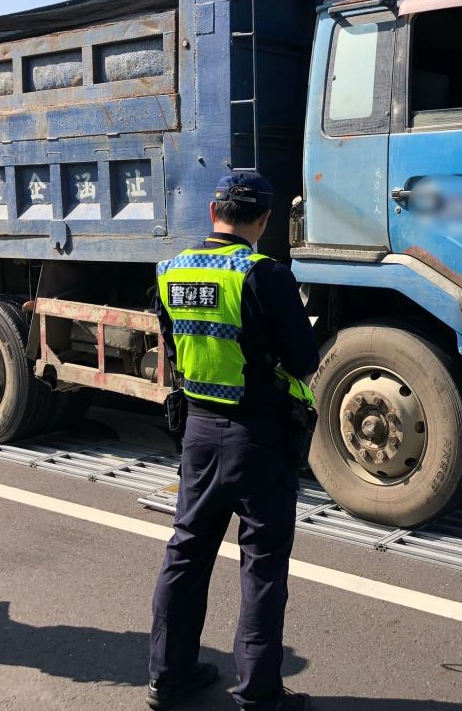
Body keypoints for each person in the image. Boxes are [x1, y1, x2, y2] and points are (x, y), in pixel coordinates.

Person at [147, 172, 319, 711]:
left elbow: (172, 346)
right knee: (262, 566)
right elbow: (304, 360)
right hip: (258, 438)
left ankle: (168, 677)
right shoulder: (265, 274)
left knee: (186, 551)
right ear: (264, 220)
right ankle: (258, 695)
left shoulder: (171, 270)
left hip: (197, 432)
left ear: (213, 212)